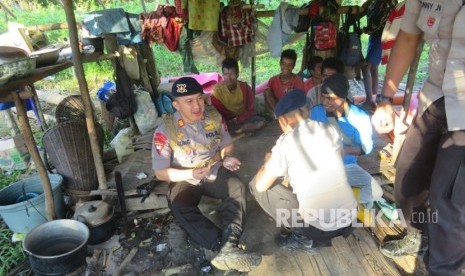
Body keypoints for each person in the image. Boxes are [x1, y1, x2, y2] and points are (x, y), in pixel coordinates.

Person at [371, 2, 465, 274]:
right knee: (410, 176)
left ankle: (443, 268)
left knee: (449, 201)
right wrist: (386, 100)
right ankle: (418, 234)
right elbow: (409, 36)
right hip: (437, 95)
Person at [152, 77, 261, 272]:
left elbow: (227, 144)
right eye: (189, 101)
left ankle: (230, 243)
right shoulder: (165, 131)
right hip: (184, 177)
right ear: (176, 105)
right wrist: (190, 173)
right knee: (179, 205)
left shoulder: (214, 118)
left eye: (200, 99)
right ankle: (223, 247)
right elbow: (160, 173)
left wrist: (226, 157)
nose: (197, 106)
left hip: (213, 169)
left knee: (237, 188)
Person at [249, 89, 357, 251]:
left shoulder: (286, 143)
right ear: (307, 111)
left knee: (255, 185)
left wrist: (267, 163)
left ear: (283, 121)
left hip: (319, 228)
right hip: (350, 219)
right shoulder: (329, 129)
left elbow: (261, 186)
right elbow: (340, 157)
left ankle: (303, 238)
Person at [310, 74, 383, 209]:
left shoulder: (359, 117)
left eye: (330, 98)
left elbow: (366, 148)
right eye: (323, 97)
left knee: (376, 192)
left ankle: (337, 201)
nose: (325, 102)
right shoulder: (316, 112)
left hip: (347, 167)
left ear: (343, 97)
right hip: (321, 167)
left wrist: (343, 151)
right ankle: (341, 199)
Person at [211, 58, 266, 134]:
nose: (229, 78)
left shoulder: (245, 87)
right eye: (226, 74)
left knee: (261, 121)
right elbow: (216, 113)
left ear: (237, 74)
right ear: (223, 75)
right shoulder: (217, 91)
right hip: (227, 122)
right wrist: (228, 122)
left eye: (232, 74)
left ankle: (240, 130)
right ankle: (240, 130)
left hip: (243, 119)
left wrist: (238, 119)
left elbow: (251, 109)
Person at [263, 49, 305, 114]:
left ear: (294, 66)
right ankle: (277, 115)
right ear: (280, 63)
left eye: (290, 65)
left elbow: (300, 103)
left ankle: (280, 117)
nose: (286, 67)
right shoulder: (273, 80)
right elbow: (267, 101)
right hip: (275, 109)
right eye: (284, 64)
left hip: (290, 111)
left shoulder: (298, 82)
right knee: (267, 91)